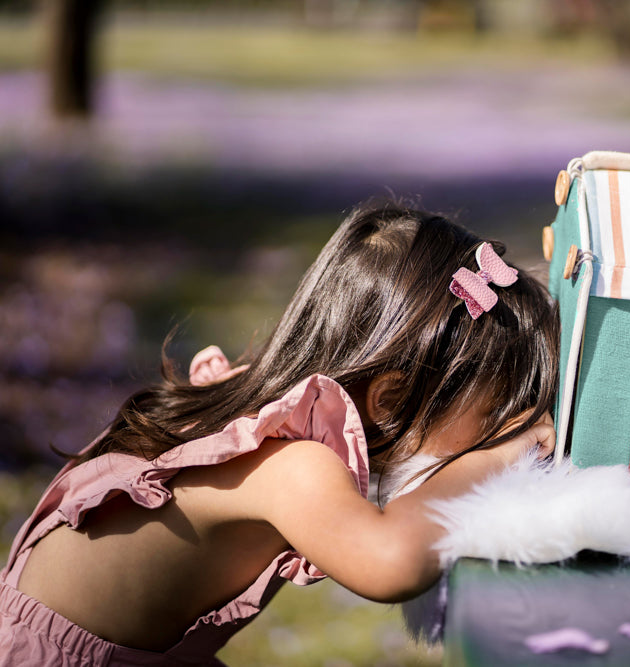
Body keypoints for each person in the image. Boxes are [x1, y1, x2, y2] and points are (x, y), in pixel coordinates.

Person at [0, 202, 560, 665]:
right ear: (389, 401)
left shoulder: (259, 405)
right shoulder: (288, 461)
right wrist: (497, 456)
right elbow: (392, 563)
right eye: (491, 417)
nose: (497, 432)